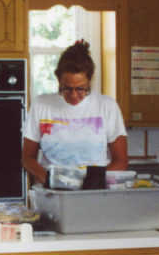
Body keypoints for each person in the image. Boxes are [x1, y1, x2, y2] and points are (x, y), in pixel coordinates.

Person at [21, 40, 128, 186]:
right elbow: (27, 158)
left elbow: (121, 161)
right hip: (52, 193)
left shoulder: (107, 106)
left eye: (80, 88)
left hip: (94, 191)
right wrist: (51, 180)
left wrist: (89, 183)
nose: (73, 95)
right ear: (58, 80)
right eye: (66, 88)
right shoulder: (41, 105)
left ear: (89, 82)